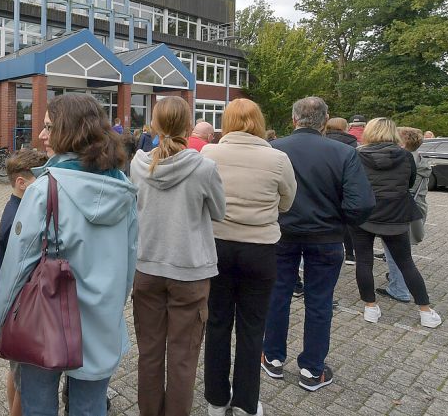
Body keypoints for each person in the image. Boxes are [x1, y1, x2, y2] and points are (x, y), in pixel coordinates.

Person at [0, 93, 138, 416]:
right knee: (90, 408)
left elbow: (16, 267)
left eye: (48, 127)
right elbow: (130, 263)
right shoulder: (124, 189)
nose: (42, 135)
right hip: (101, 325)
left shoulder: (44, 190)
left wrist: (0, 323)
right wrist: (113, 309)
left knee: (39, 407)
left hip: (44, 322)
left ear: (70, 132)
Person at [261, 97, 375, 393]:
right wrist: (339, 221)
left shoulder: (273, 149)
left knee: (278, 294)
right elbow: (361, 203)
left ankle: (272, 357)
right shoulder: (344, 152)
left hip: (281, 233)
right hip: (325, 237)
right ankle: (312, 368)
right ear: (325, 121)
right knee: (320, 301)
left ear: (294, 119)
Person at [129, 96, 225, 416]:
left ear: (154, 125)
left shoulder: (137, 164)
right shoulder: (204, 167)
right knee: (183, 358)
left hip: (146, 267)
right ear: (189, 125)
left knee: (150, 353)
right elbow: (219, 212)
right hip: (191, 271)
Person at [201, 99, 297, 416]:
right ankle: (245, 401)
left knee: (216, 323)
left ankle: (216, 400)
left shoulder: (209, 154)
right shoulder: (278, 158)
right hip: (260, 248)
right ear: (258, 121)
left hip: (217, 247)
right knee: (252, 327)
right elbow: (287, 202)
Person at [353, 119, 441, 328]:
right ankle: (425, 311)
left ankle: (370, 307)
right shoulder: (406, 157)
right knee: (406, 262)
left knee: (364, 262)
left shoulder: (356, 155)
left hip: (364, 213)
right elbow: (409, 183)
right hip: (396, 213)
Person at [0, 148, 49, 416]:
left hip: (13, 308)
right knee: (25, 383)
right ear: (21, 182)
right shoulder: (20, 217)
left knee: (16, 373)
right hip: (20, 310)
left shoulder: (12, 207)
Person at [377, 127, 432, 303]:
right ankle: (397, 279)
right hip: (416, 209)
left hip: (402, 212)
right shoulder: (421, 159)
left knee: (396, 252)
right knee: (400, 251)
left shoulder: (405, 162)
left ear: (403, 142)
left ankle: (398, 289)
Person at [324, 117, 359, 265]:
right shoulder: (354, 145)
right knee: (347, 223)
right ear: (345, 127)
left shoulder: (321, 141)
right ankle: (350, 254)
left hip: (325, 187)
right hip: (345, 187)